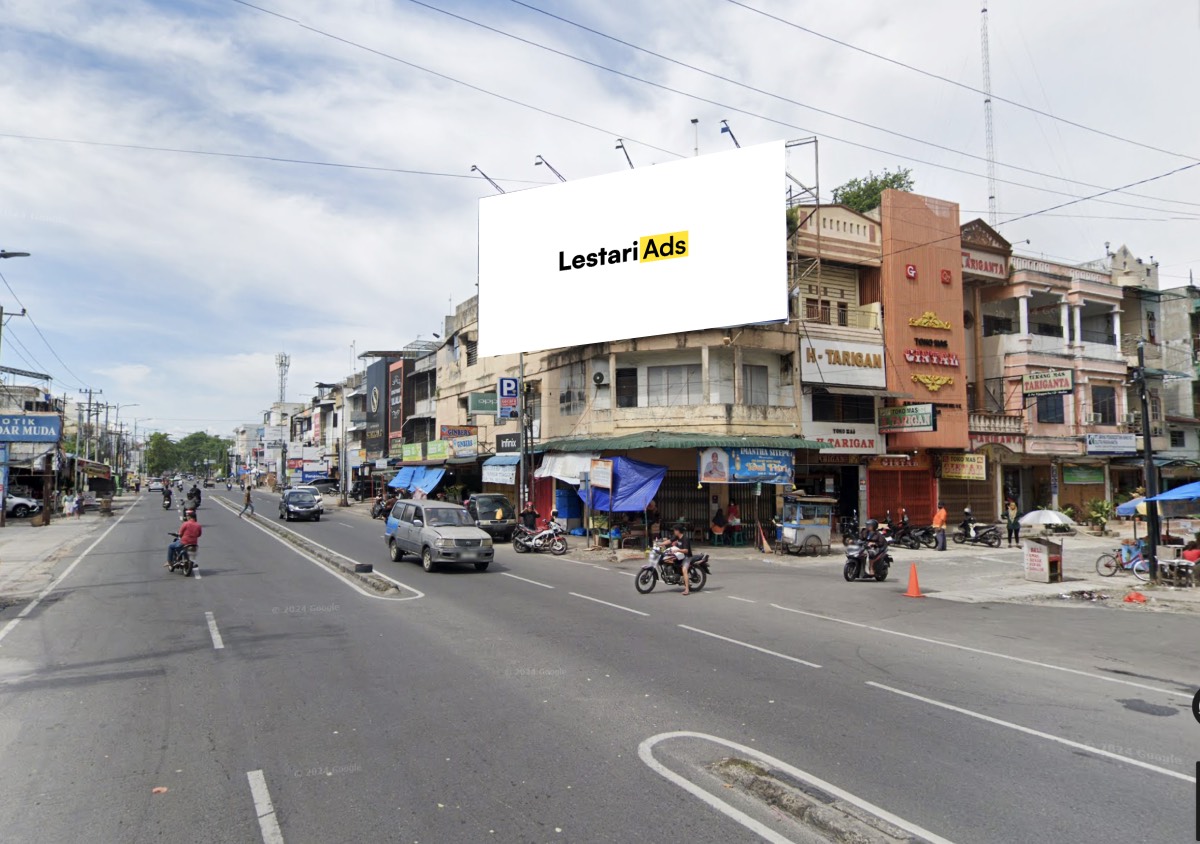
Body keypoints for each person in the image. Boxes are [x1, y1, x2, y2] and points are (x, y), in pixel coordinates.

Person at [666, 525, 695, 595]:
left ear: (678, 531)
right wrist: (659, 544)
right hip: (679, 556)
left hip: (687, 557)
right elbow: (669, 541)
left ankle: (687, 589)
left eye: (674, 530)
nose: (674, 531)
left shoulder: (685, 539)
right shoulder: (676, 537)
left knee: (684, 570)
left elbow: (686, 550)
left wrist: (677, 550)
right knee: (669, 560)